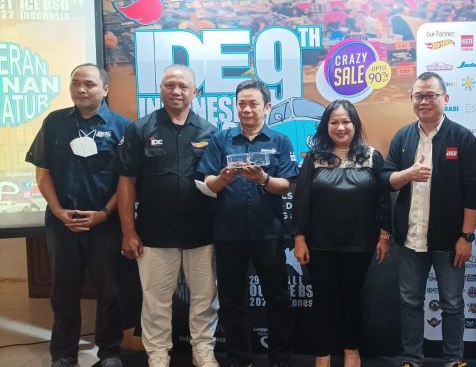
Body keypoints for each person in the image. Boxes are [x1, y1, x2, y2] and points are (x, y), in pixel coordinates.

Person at [26, 63, 130, 367]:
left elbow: (127, 181)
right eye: (75, 83)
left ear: (105, 89)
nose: (81, 90)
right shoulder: (54, 122)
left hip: (105, 223)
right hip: (62, 224)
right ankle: (63, 354)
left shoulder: (122, 127)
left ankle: (109, 353)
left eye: (89, 84)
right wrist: (59, 211)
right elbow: (42, 172)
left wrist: (104, 213)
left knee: (109, 290)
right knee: (63, 291)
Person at [117, 64, 219, 367]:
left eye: (183, 86)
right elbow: (126, 182)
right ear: (160, 89)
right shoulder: (140, 129)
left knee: (205, 299)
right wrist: (128, 231)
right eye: (169, 85)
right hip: (154, 232)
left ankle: (203, 351)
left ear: (194, 92)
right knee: (156, 301)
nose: (176, 91)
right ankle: (158, 354)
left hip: (202, 232)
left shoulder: (209, 132)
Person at [381, 72, 476, 367]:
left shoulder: (462, 138)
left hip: (449, 241)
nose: (423, 101)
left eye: (430, 95)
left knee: (452, 303)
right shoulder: (402, 137)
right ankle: (412, 358)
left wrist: (466, 237)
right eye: (418, 96)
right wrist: (408, 174)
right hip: (410, 239)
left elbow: (472, 192)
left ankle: (453, 359)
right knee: (410, 303)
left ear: (445, 99)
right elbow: (386, 179)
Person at [197, 80, 298, 367]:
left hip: (269, 234)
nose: (247, 109)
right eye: (241, 103)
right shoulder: (221, 139)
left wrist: (263, 179)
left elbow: (286, 185)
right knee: (231, 301)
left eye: (253, 104)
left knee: (277, 298)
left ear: (267, 107)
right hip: (228, 234)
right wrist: (223, 178)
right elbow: (208, 184)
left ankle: (279, 358)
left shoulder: (280, 141)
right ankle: (239, 359)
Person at [292, 99, 391, 367]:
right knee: (323, 300)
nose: (340, 127)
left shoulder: (371, 156)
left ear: (355, 124)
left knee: (352, 299)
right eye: (334, 122)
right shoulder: (314, 158)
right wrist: (299, 238)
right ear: (326, 126)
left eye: (346, 121)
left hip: (360, 244)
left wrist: (384, 236)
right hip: (320, 244)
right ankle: (322, 355)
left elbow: (383, 200)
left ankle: (352, 352)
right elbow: (301, 200)